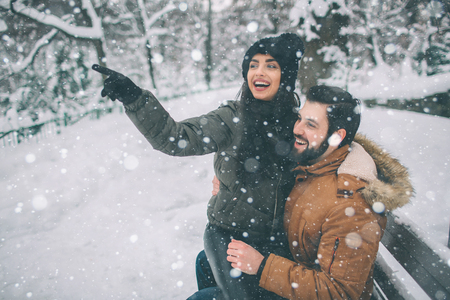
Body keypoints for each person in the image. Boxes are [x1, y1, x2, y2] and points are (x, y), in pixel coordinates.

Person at [92, 33, 306, 299]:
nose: (259, 73)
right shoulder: (232, 118)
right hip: (228, 234)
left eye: (270, 65)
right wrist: (134, 98)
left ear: (286, 76)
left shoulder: (299, 125)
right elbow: (177, 138)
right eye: (253, 65)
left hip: (275, 244)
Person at [223, 85, 413, 299]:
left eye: (310, 124)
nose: (297, 129)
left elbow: (340, 292)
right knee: (210, 258)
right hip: (297, 273)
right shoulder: (316, 162)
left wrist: (263, 266)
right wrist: (227, 179)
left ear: (337, 136)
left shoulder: (351, 205)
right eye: (300, 119)